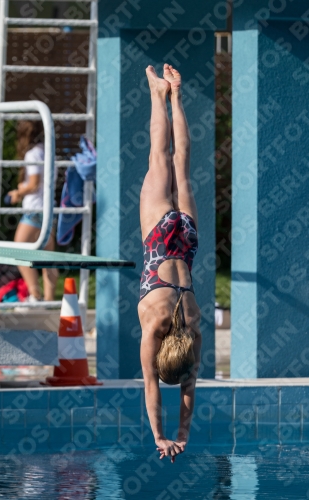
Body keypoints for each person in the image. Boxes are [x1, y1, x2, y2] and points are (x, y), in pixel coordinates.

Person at [138, 64, 202, 463]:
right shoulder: (155, 326)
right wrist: (160, 436)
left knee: (181, 163)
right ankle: (156, 93)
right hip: (160, 240)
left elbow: (189, 390)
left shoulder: (194, 331)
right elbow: (150, 386)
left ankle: (176, 94)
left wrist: (181, 434)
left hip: (187, 240)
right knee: (158, 154)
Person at [8, 121, 58, 303]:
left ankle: (35, 295)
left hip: (35, 209)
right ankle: (50, 299)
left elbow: (34, 184)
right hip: (48, 208)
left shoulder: (33, 153)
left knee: (19, 251)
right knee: (48, 257)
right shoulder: (48, 150)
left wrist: (18, 191)